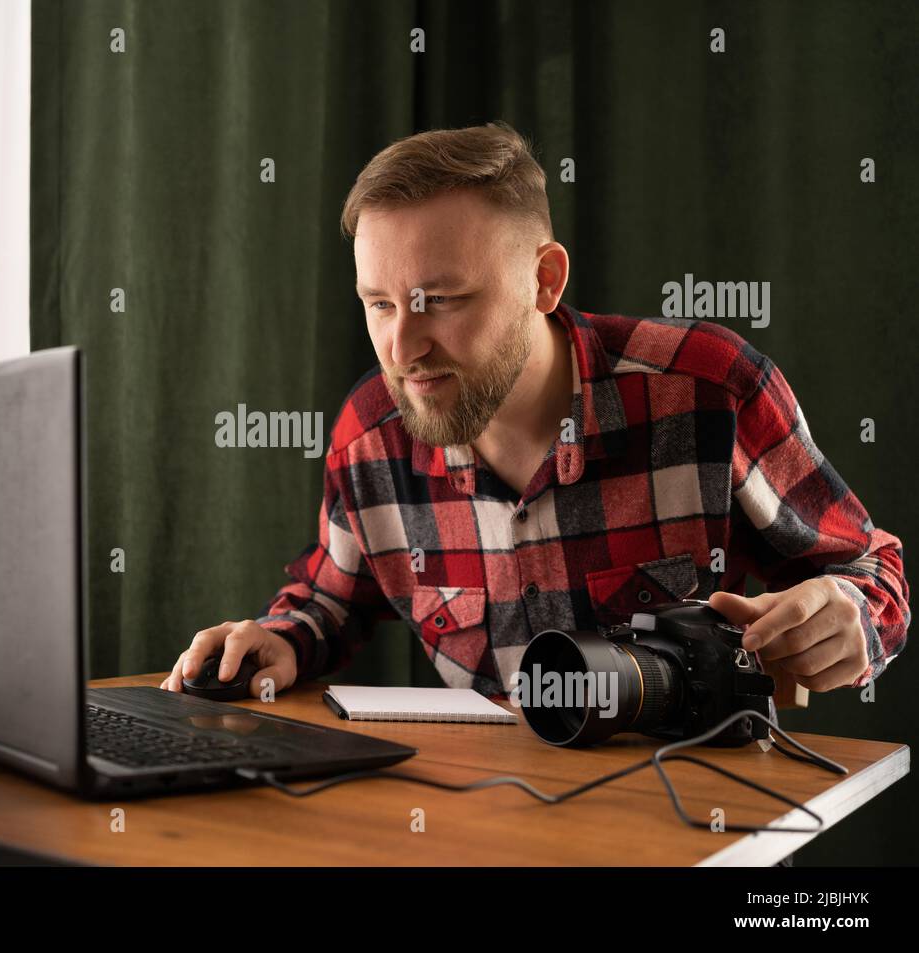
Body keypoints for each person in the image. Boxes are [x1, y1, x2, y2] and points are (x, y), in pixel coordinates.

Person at [160, 122, 909, 703]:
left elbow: (873, 569)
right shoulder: (371, 437)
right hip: (477, 830)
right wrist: (281, 638)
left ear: (544, 280)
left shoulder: (712, 389)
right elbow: (328, 602)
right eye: (377, 305)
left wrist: (850, 611)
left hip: (689, 826)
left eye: (440, 302)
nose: (402, 346)